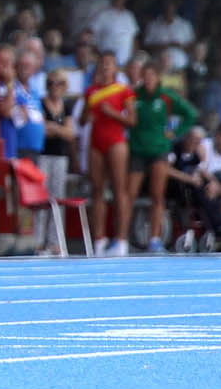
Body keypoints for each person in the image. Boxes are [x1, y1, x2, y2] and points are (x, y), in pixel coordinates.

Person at [128, 57, 198, 251]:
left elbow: (190, 114)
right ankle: (122, 238)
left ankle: (154, 239)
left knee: (157, 195)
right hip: (137, 150)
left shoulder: (166, 97)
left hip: (159, 150)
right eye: (145, 76)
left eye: (152, 76)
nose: (148, 79)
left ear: (158, 78)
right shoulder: (134, 96)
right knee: (129, 194)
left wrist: (174, 133)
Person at [81, 52, 134, 256]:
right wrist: (87, 115)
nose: (105, 67)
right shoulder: (91, 91)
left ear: (115, 68)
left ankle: (121, 239)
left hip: (116, 142)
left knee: (120, 190)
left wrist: (112, 113)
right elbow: (82, 120)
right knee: (97, 190)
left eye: (109, 64)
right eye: (102, 63)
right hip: (96, 142)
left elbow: (132, 121)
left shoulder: (123, 90)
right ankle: (99, 240)